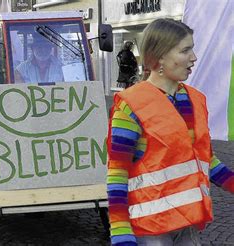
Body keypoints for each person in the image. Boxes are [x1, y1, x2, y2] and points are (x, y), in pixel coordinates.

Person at [107, 18, 234, 246]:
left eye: (192, 49)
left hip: (187, 224)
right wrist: (120, 231)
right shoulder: (131, 106)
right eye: (185, 50)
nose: (194, 57)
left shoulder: (195, 100)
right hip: (150, 231)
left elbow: (205, 160)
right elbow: (117, 173)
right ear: (160, 57)